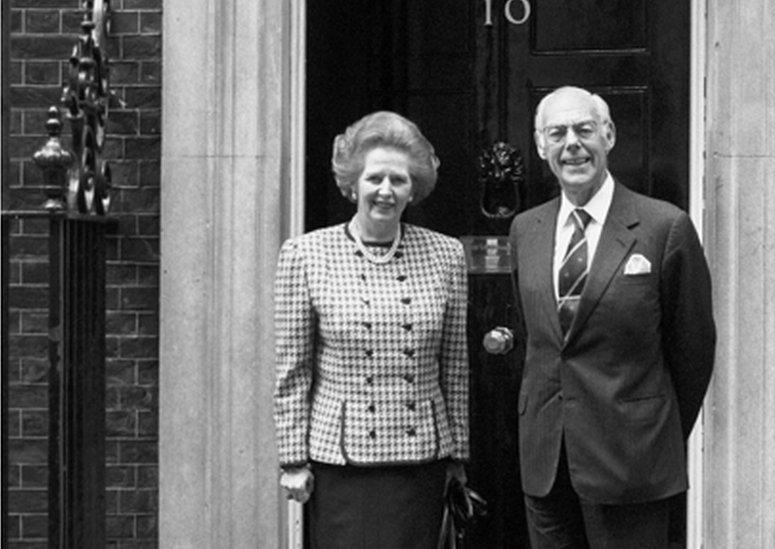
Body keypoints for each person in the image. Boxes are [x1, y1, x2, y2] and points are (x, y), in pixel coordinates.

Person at [507, 86, 716, 547]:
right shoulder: (527, 230)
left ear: (609, 136)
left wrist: (651, 428)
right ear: (541, 145)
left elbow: (693, 349)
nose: (572, 144)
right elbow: (534, 339)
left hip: (632, 461)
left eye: (584, 130)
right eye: (557, 133)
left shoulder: (665, 227)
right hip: (547, 460)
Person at [273, 111, 469, 548]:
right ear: (352, 184)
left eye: (398, 180)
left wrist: (458, 455)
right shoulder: (305, 254)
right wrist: (292, 460)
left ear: (413, 187)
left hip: (421, 462)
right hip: (342, 463)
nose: (385, 191)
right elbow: (292, 370)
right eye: (374, 178)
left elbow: (455, 366)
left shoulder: (446, 255)